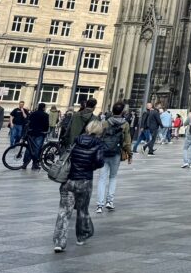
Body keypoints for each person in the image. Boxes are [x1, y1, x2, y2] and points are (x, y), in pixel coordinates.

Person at [53, 118, 106, 253]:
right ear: (99, 130)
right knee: (82, 210)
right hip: (84, 181)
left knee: (64, 212)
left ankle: (59, 242)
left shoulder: (77, 140)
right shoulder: (99, 144)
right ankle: (81, 237)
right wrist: (90, 166)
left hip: (69, 180)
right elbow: (100, 162)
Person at [94, 102, 132, 213]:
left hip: (104, 152)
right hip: (116, 153)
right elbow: (127, 141)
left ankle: (99, 205)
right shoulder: (125, 124)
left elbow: (98, 137)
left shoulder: (105, 123)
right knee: (113, 177)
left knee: (102, 178)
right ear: (122, 112)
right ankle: (110, 201)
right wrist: (130, 154)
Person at [23, 102, 51, 170]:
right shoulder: (45, 115)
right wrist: (45, 131)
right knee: (37, 148)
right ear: (44, 108)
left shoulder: (33, 113)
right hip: (40, 133)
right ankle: (35, 164)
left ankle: (25, 164)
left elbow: (29, 121)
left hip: (31, 133)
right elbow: (46, 125)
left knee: (29, 148)